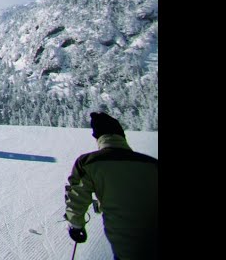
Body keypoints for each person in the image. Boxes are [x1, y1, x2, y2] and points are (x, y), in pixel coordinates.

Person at [64, 111, 158, 259]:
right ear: (122, 135)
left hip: (128, 250)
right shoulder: (152, 164)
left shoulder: (89, 163)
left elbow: (77, 195)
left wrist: (76, 225)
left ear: (98, 137)